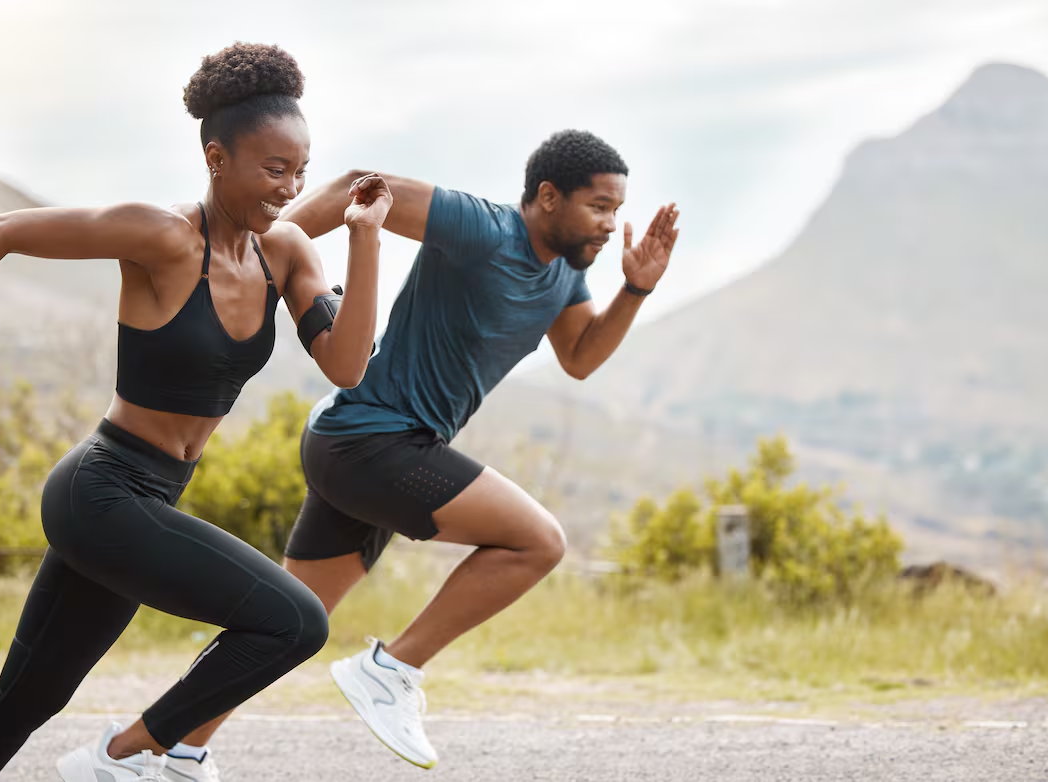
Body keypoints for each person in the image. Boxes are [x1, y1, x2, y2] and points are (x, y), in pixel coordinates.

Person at [0, 43, 392, 782]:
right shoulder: (161, 236)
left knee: (28, 696)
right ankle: (126, 756)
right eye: (273, 170)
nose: (289, 187)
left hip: (149, 499)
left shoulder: (288, 252)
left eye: (300, 170)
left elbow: (347, 364)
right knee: (296, 621)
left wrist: (364, 243)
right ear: (216, 158)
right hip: (102, 491)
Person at [179, 129, 680, 770]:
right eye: (600, 206)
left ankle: (158, 750)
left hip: (366, 450)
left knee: (283, 627)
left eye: (617, 209)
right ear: (548, 197)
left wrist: (634, 290)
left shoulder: (563, 278)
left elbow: (580, 357)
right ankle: (391, 670)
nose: (612, 225)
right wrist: (251, 261)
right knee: (538, 542)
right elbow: (357, 187)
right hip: (374, 442)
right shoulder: (483, 228)